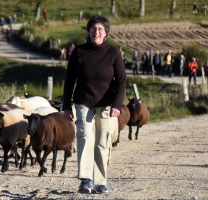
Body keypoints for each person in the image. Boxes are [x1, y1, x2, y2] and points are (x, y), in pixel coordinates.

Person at [62, 14, 126, 194]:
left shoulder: (114, 53)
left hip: (106, 105)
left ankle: (100, 182)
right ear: (88, 31)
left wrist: (117, 105)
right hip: (83, 102)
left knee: (102, 142)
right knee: (84, 138)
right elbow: (69, 81)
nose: (96, 31)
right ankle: (85, 180)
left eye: (100, 29)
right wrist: (66, 106)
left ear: (106, 32)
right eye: (93, 28)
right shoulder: (78, 52)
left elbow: (121, 81)